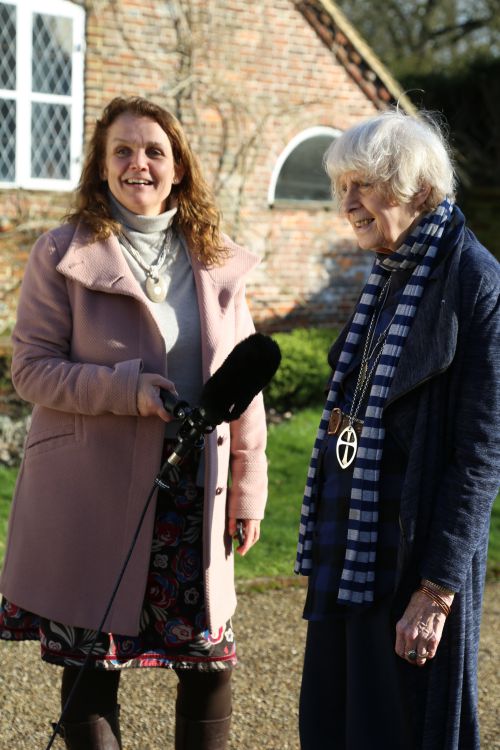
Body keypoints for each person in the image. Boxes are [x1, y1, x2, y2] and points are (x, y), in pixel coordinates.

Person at [0, 96, 268, 750]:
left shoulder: (217, 260)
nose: (137, 164)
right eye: (122, 150)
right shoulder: (61, 253)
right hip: (90, 498)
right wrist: (125, 391)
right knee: (92, 671)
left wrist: (248, 489)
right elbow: (30, 369)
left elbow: (246, 388)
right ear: (101, 165)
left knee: (209, 669)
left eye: (154, 151)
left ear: (179, 168)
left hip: (190, 501)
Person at [296, 109, 499, 749]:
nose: (347, 204)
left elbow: (481, 453)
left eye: (362, 185)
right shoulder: (391, 271)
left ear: (416, 186)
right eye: (341, 188)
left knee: (401, 731)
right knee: (337, 722)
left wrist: (435, 591)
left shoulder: (474, 279)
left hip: (407, 558)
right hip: (352, 545)